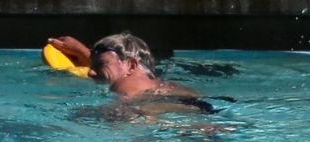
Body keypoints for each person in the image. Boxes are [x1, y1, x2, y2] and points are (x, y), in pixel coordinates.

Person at [43, 33, 213, 112]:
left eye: (99, 65)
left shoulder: (127, 94)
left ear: (132, 66)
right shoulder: (173, 87)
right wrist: (82, 51)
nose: (90, 73)